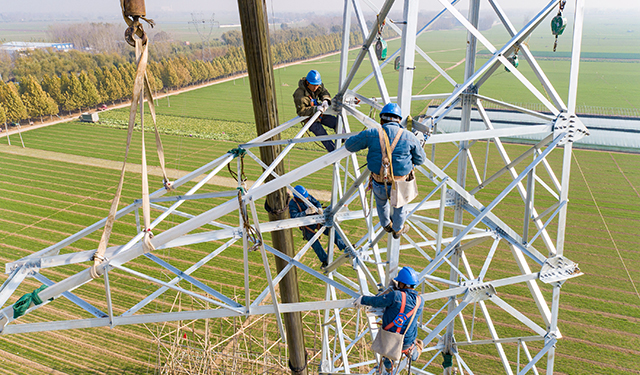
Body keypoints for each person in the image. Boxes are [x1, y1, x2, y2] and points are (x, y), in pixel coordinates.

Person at [345, 103, 426, 239]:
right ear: (399, 120)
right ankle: (397, 230)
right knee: (400, 207)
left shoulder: (371, 134)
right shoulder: (409, 136)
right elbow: (420, 160)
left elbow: (349, 145)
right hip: (400, 183)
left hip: (379, 181)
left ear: (381, 120)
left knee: (381, 204)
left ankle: (386, 224)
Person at [354, 267, 424, 374]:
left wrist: (362, 299)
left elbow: (377, 301)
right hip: (407, 341)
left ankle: (388, 367)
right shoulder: (420, 301)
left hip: (390, 339)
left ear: (402, 284)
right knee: (409, 347)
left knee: (386, 355)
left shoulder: (395, 296)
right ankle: (414, 353)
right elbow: (406, 305)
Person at [289, 185, 347, 268]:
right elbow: (294, 216)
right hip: (307, 226)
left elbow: (316, 202)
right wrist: (305, 212)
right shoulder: (293, 204)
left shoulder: (307, 196)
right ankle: (325, 260)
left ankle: (344, 246)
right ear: (298, 197)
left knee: (331, 230)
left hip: (317, 221)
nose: (305, 199)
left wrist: (319, 208)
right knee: (314, 243)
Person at [293, 69, 339, 152]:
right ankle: (334, 152)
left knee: (336, 123)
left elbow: (323, 92)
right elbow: (301, 111)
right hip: (310, 118)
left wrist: (325, 100)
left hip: (319, 113)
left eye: (317, 85)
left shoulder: (317, 85)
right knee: (323, 136)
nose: (315, 87)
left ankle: (346, 140)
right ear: (307, 83)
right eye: (313, 85)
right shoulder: (300, 94)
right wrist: (315, 109)